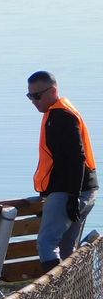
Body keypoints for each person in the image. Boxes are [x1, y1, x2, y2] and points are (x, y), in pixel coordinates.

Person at [27, 71, 97, 272]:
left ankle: (56, 297)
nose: (33, 101)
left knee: (46, 243)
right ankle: (70, 297)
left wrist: (73, 196)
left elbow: (77, 157)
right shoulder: (59, 113)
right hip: (86, 188)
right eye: (30, 96)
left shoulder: (61, 117)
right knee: (67, 247)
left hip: (70, 191)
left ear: (53, 91)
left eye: (37, 95)